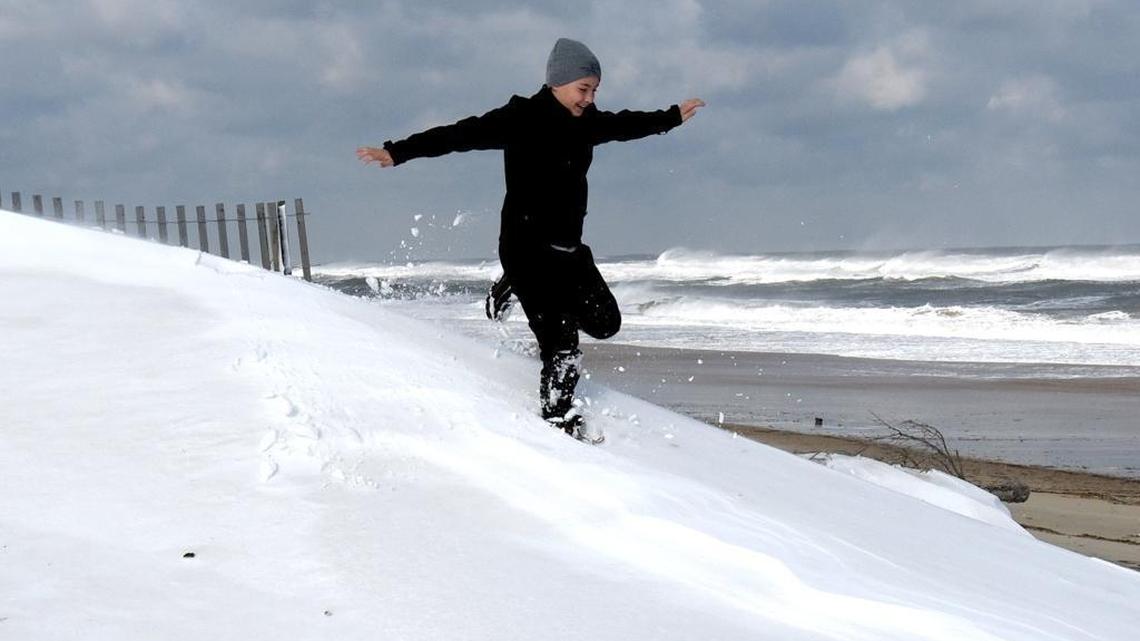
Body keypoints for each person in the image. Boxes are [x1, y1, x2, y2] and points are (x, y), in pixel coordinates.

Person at [358, 38, 704, 439]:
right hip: (526, 252)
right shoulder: (520, 117)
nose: (589, 99)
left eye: (595, 90)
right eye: (583, 89)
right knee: (563, 348)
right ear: (558, 82)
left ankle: (511, 288)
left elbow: (626, 125)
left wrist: (671, 117)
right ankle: (558, 425)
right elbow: (457, 135)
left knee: (606, 323)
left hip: (569, 252)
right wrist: (396, 152)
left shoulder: (587, 123)